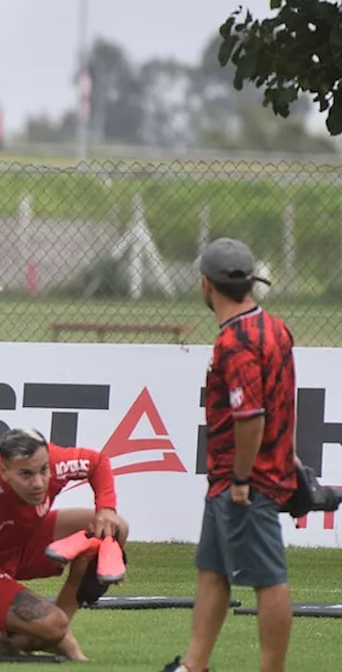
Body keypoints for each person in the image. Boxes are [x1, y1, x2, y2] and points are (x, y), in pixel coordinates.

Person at [162, 238, 297, 672]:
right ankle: (193, 666)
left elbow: (251, 417)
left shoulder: (234, 343)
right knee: (212, 570)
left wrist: (241, 479)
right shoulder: (274, 327)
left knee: (268, 579)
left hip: (244, 481)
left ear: (207, 285)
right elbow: (277, 403)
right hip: (232, 476)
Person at [0, 428, 130, 665]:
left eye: (43, 471)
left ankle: (39, 633)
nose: (38, 483)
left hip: (21, 540)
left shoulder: (54, 462)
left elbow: (97, 462)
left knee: (114, 528)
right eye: (26, 474)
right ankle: (55, 633)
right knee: (52, 626)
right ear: (4, 472)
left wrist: (106, 508)